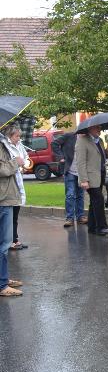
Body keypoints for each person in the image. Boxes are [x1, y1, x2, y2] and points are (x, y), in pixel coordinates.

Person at [75, 125, 108, 235]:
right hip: (89, 178)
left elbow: (102, 156)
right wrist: (83, 180)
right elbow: (80, 162)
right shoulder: (82, 141)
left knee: (94, 202)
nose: (100, 130)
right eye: (97, 128)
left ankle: (92, 227)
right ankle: (101, 227)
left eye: (100, 128)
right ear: (90, 129)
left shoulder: (99, 140)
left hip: (100, 175)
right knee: (99, 200)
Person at [0, 126, 24, 296]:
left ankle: (3, 278)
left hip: (6, 197)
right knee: (4, 243)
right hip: (2, 199)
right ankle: (2, 285)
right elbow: (2, 170)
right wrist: (17, 162)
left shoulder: (2, 144)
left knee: (4, 243)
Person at [52, 131, 86, 227]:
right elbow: (54, 143)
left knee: (80, 195)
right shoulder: (69, 136)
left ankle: (80, 217)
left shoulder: (87, 139)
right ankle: (69, 218)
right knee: (70, 194)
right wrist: (60, 157)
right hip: (70, 170)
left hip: (81, 172)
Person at [4, 125, 27, 250]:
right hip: (9, 186)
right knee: (10, 215)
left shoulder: (19, 145)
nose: (19, 138)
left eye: (19, 136)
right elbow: (5, 167)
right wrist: (16, 164)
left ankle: (15, 239)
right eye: (17, 136)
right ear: (9, 136)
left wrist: (24, 164)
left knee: (15, 214)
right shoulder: (5, 147)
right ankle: (10, 241)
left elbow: (25, 158)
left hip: (18, 182)